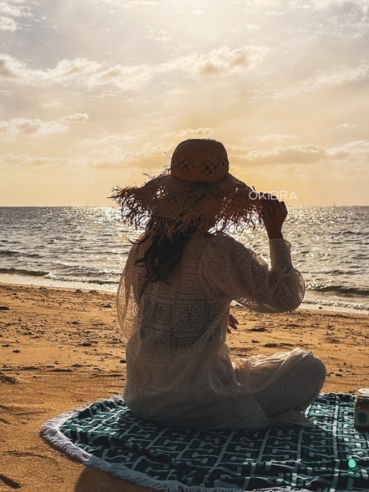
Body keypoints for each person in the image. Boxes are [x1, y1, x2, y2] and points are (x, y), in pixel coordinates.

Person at [111, 138, 326, 429]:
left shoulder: (146, 245)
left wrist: (209, 310)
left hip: (143, 397)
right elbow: (286, 298)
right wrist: (275, 233)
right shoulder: (216, 250)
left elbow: (147, 308)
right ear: (220, 198)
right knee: (310, 368)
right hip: (200, 402)